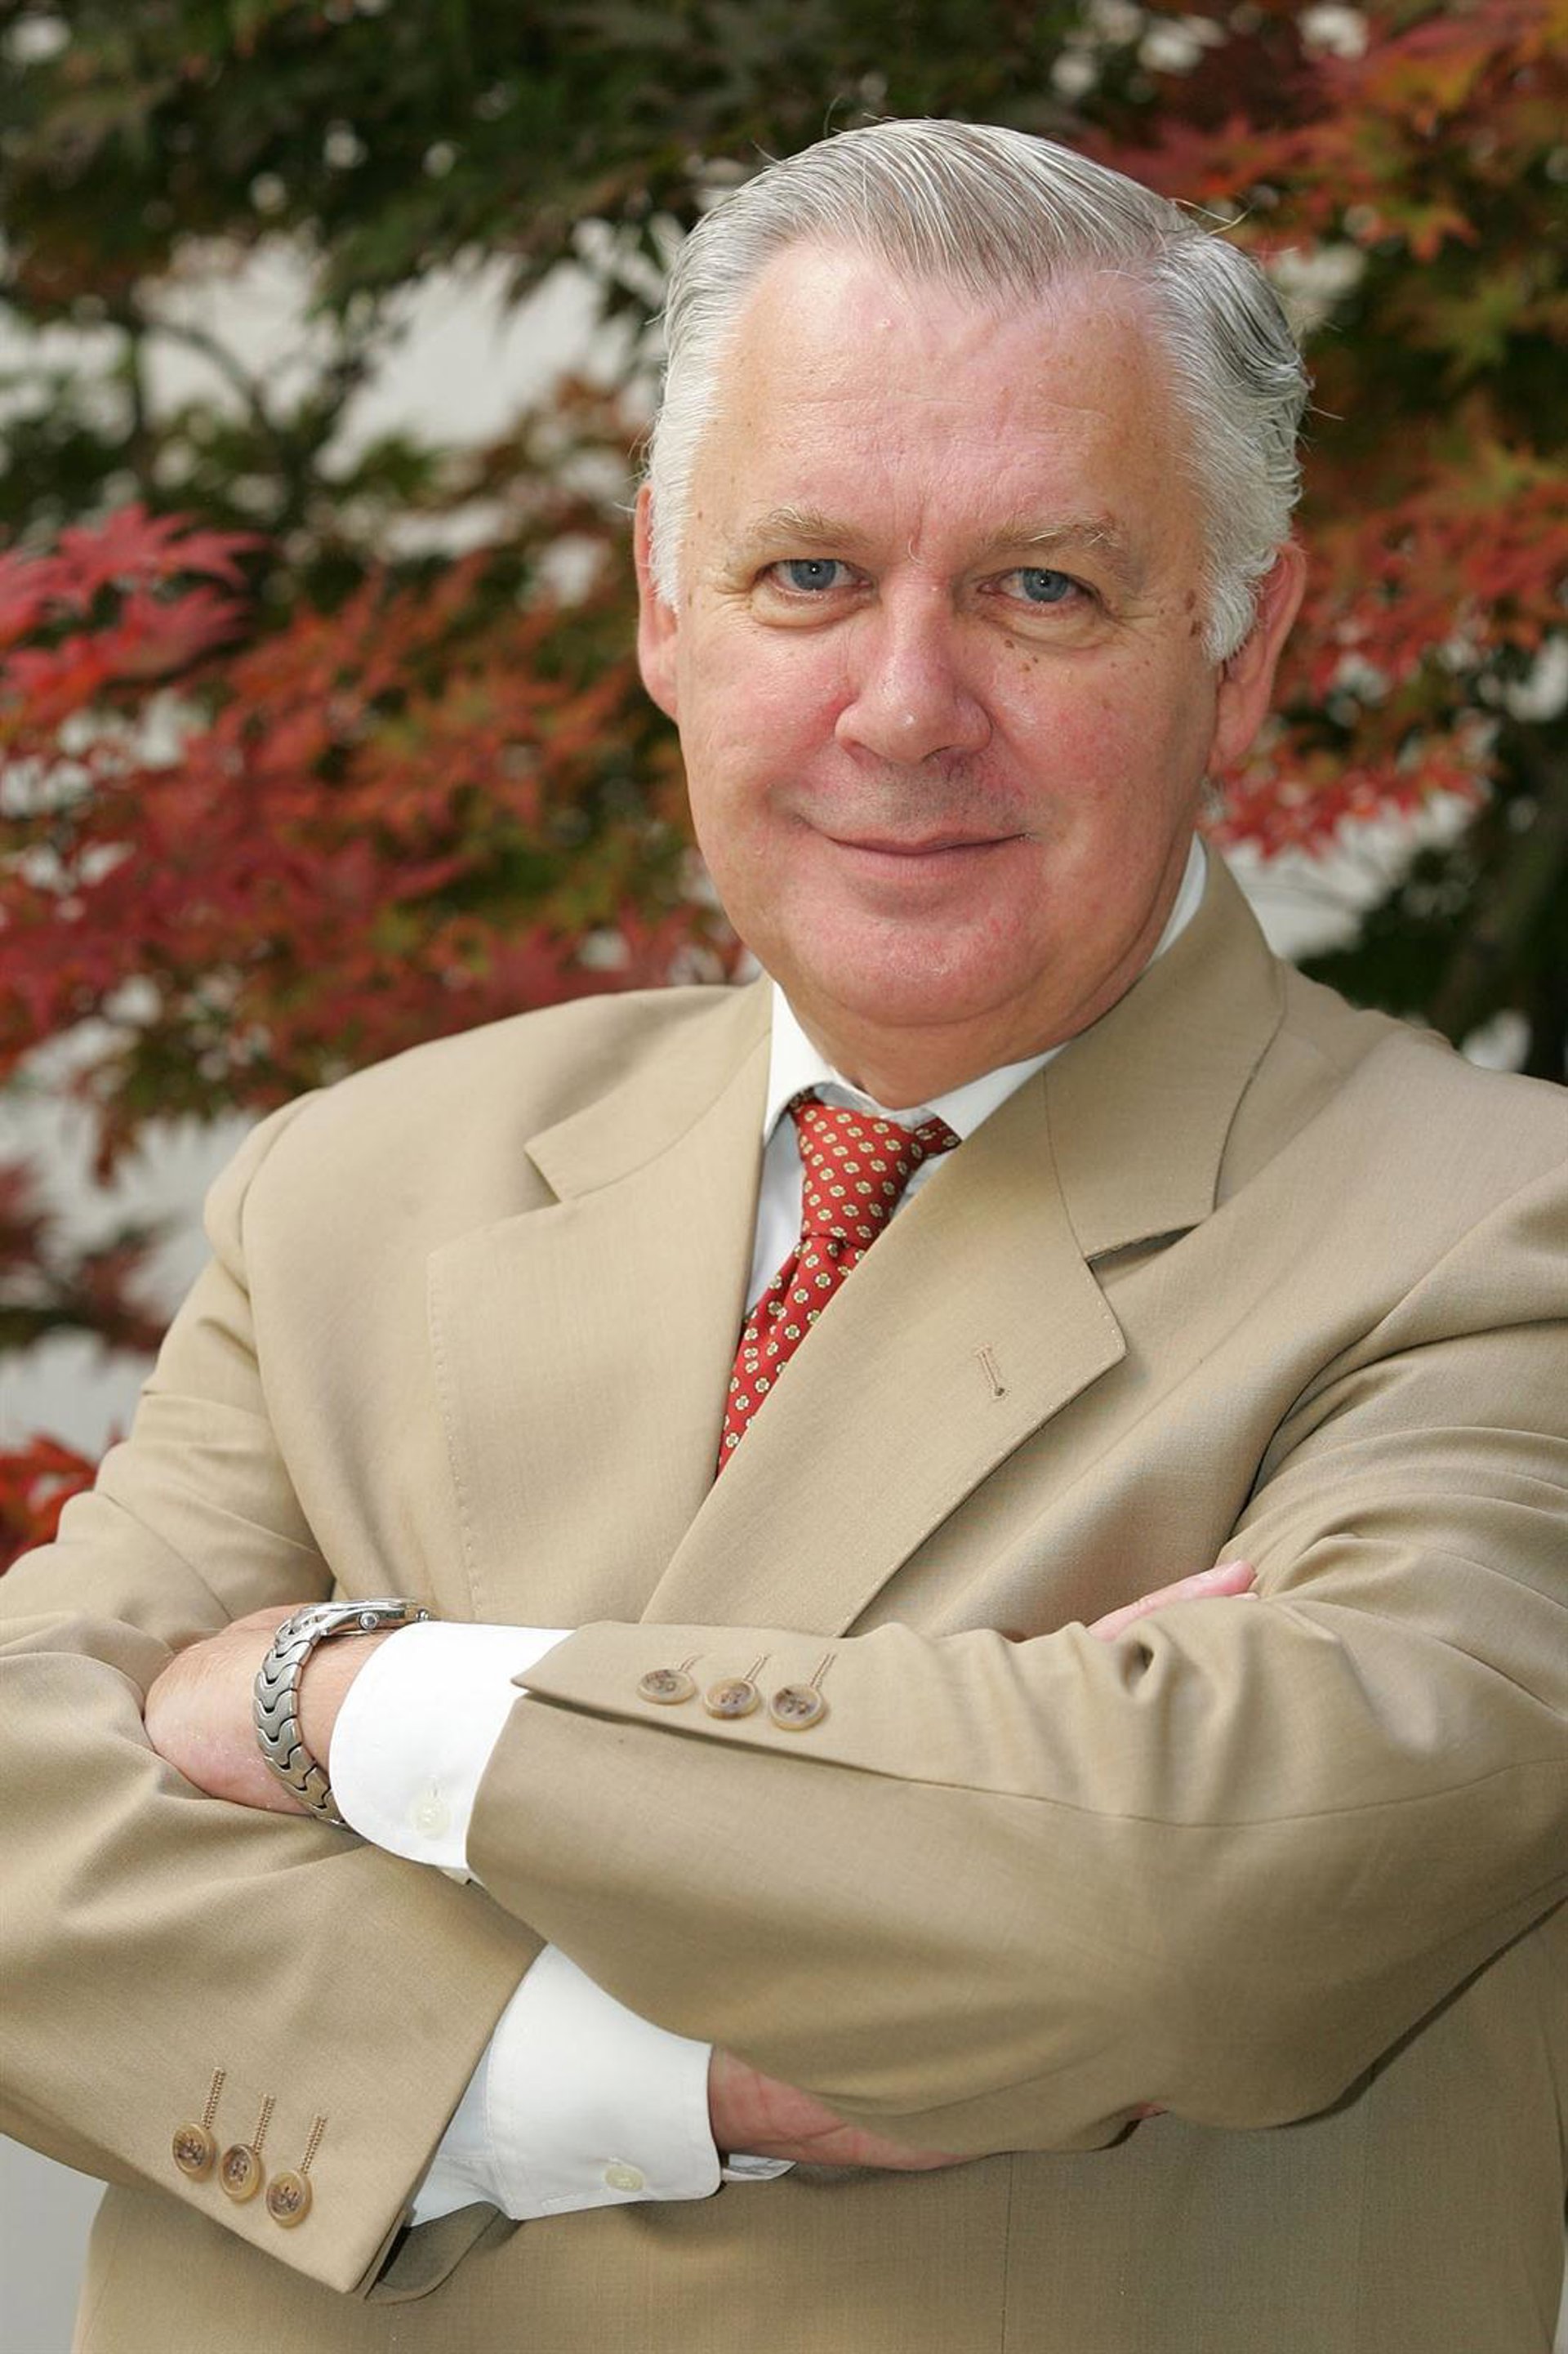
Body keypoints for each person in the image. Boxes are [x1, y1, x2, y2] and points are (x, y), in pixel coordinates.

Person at [3, 118, 1566, 2354]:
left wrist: (338, 1698)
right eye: (809, 573)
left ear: (1242, 649)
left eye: (1043, 589)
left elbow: (1177, 1903)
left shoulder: (1498, 1238)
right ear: (664, 603)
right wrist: (635, 2086)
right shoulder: (357, 1182)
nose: (906, 709)